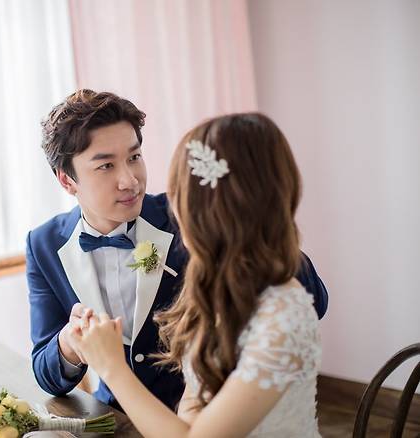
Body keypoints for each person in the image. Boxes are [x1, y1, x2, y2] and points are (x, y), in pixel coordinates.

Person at [26, 91, 327, 413]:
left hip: (211, 413)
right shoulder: (44, 244)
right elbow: (47, 376)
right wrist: (70, 342)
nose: (129, 180)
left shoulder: (188, 213)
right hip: (116, 416)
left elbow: (312, 302)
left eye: (134, 157)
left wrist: (258, 225)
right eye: (106, 166)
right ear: (67, 180)